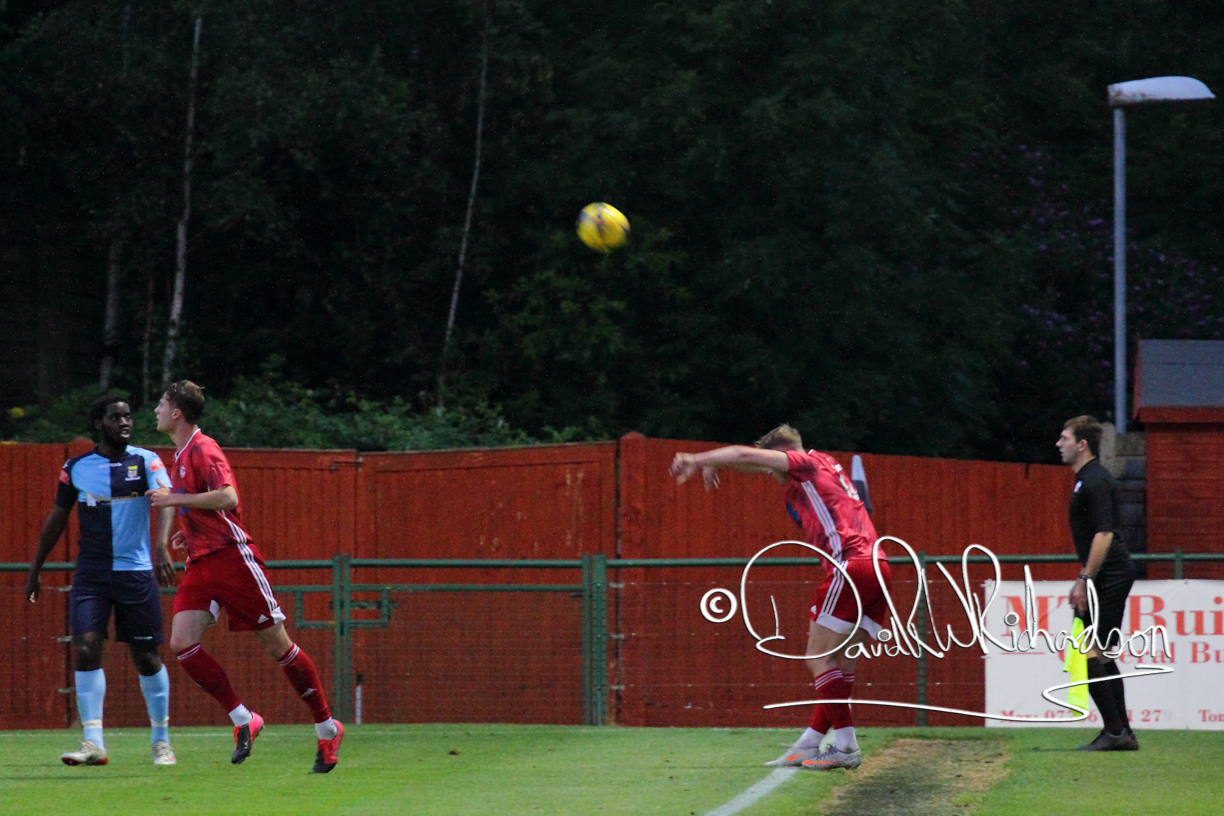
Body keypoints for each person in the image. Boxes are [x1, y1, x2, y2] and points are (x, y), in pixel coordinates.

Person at [148, 380, 344, 772]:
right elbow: (209, 507)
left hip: (233, 560)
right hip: (202, 562)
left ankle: (327, 726)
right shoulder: (180, 455)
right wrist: (189, 532)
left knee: (278, 646)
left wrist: (175, 499)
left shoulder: (203, 448)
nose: (155, 410)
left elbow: (228, 496)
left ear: (177, 412)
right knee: (182, 643)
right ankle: (244, 718)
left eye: (161, 404)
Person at [671, 424, 889, 771]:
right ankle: (811, 742)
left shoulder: (804, 465)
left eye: (773, 467)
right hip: (877, 565)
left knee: (817, 658)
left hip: (850, 565)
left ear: (783, 454)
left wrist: (695, 459)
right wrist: (717, 463)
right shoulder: (825, 463)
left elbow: (744, 455)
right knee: (841, 662)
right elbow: (753, 464)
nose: (772, 476)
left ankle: (846, 747)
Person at [24, 395, 177, 767]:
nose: (124, 422)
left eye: (128, 416)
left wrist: (161, 545)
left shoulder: (146, 461)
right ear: (97, 423)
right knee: (87, 647)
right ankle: (93, 742)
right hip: (92, 574)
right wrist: (35, 568)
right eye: (115, 417)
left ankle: (161, 741)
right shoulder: (76, 467)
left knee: (146, 657)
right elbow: (57, 518)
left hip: (135, 572)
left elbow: (166, 499)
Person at [1056, 415, 1138, 751]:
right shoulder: (1084, 480)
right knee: (1100, 654)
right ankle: (1122, 732)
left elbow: (1104, 534)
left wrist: (1084, 579)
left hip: (1111, 575)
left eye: (1064, 438)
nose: (1059, 444)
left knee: (1090, 650)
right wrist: (1085, 577)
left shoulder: (1096, 480)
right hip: (1104, 575)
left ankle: (1116, 732)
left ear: (1082, 444)